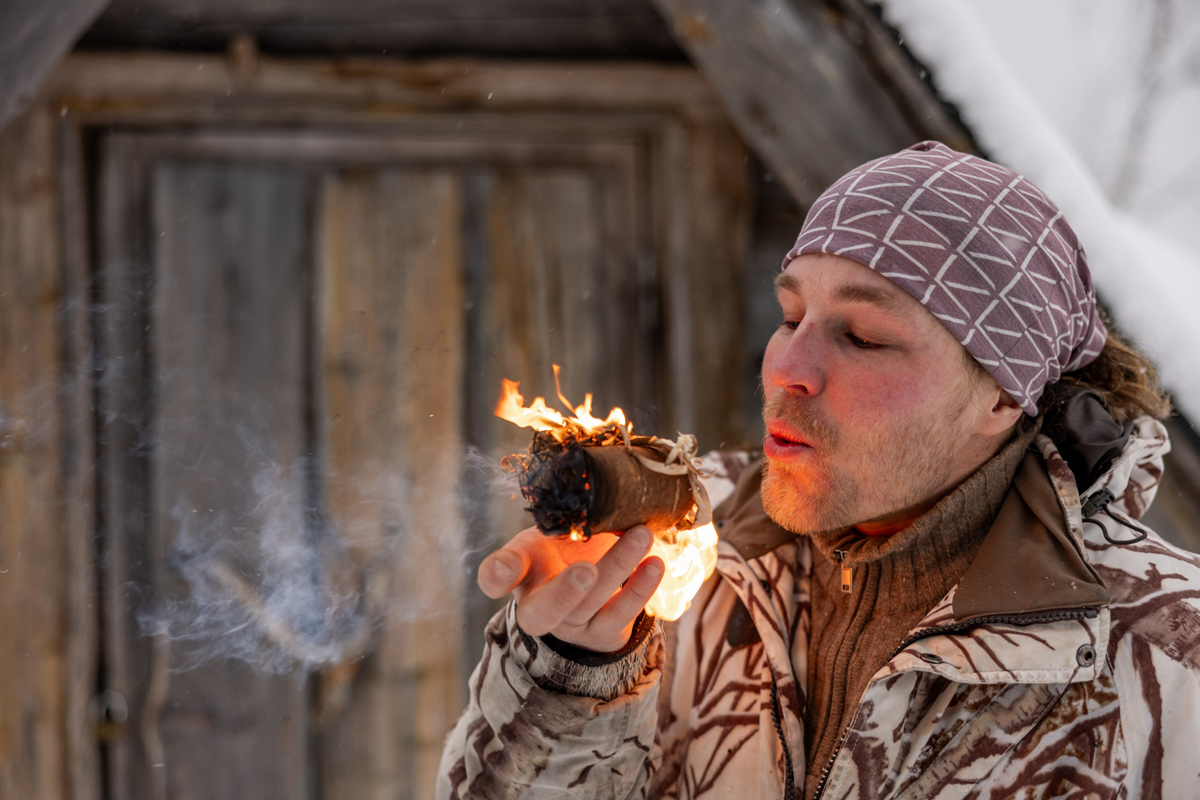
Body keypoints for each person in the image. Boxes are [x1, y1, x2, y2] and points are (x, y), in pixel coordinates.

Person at [437, 142, 1200, 799]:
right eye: (790, 317)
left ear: (1003, 394)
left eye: (863, 336)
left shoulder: (1168, 661)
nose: (789, 368)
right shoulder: (686, 575)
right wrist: (575, 674)